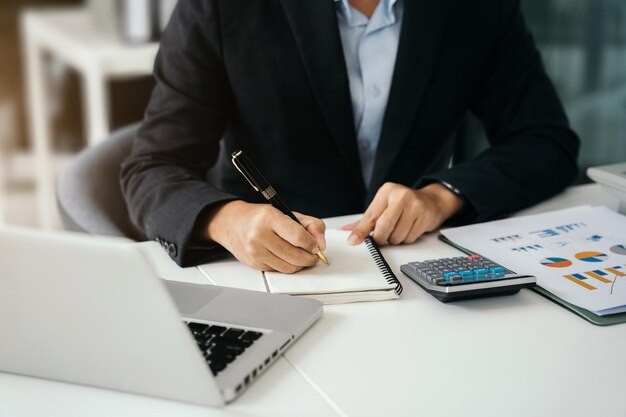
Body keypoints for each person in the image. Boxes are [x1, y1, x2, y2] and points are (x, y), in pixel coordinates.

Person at [120, 0, 580, 272]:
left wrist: (440, 198)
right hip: (269, 274)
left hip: (417, 267)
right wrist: (228, 219)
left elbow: (545, 140)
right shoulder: (221, 7)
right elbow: (153, 168)